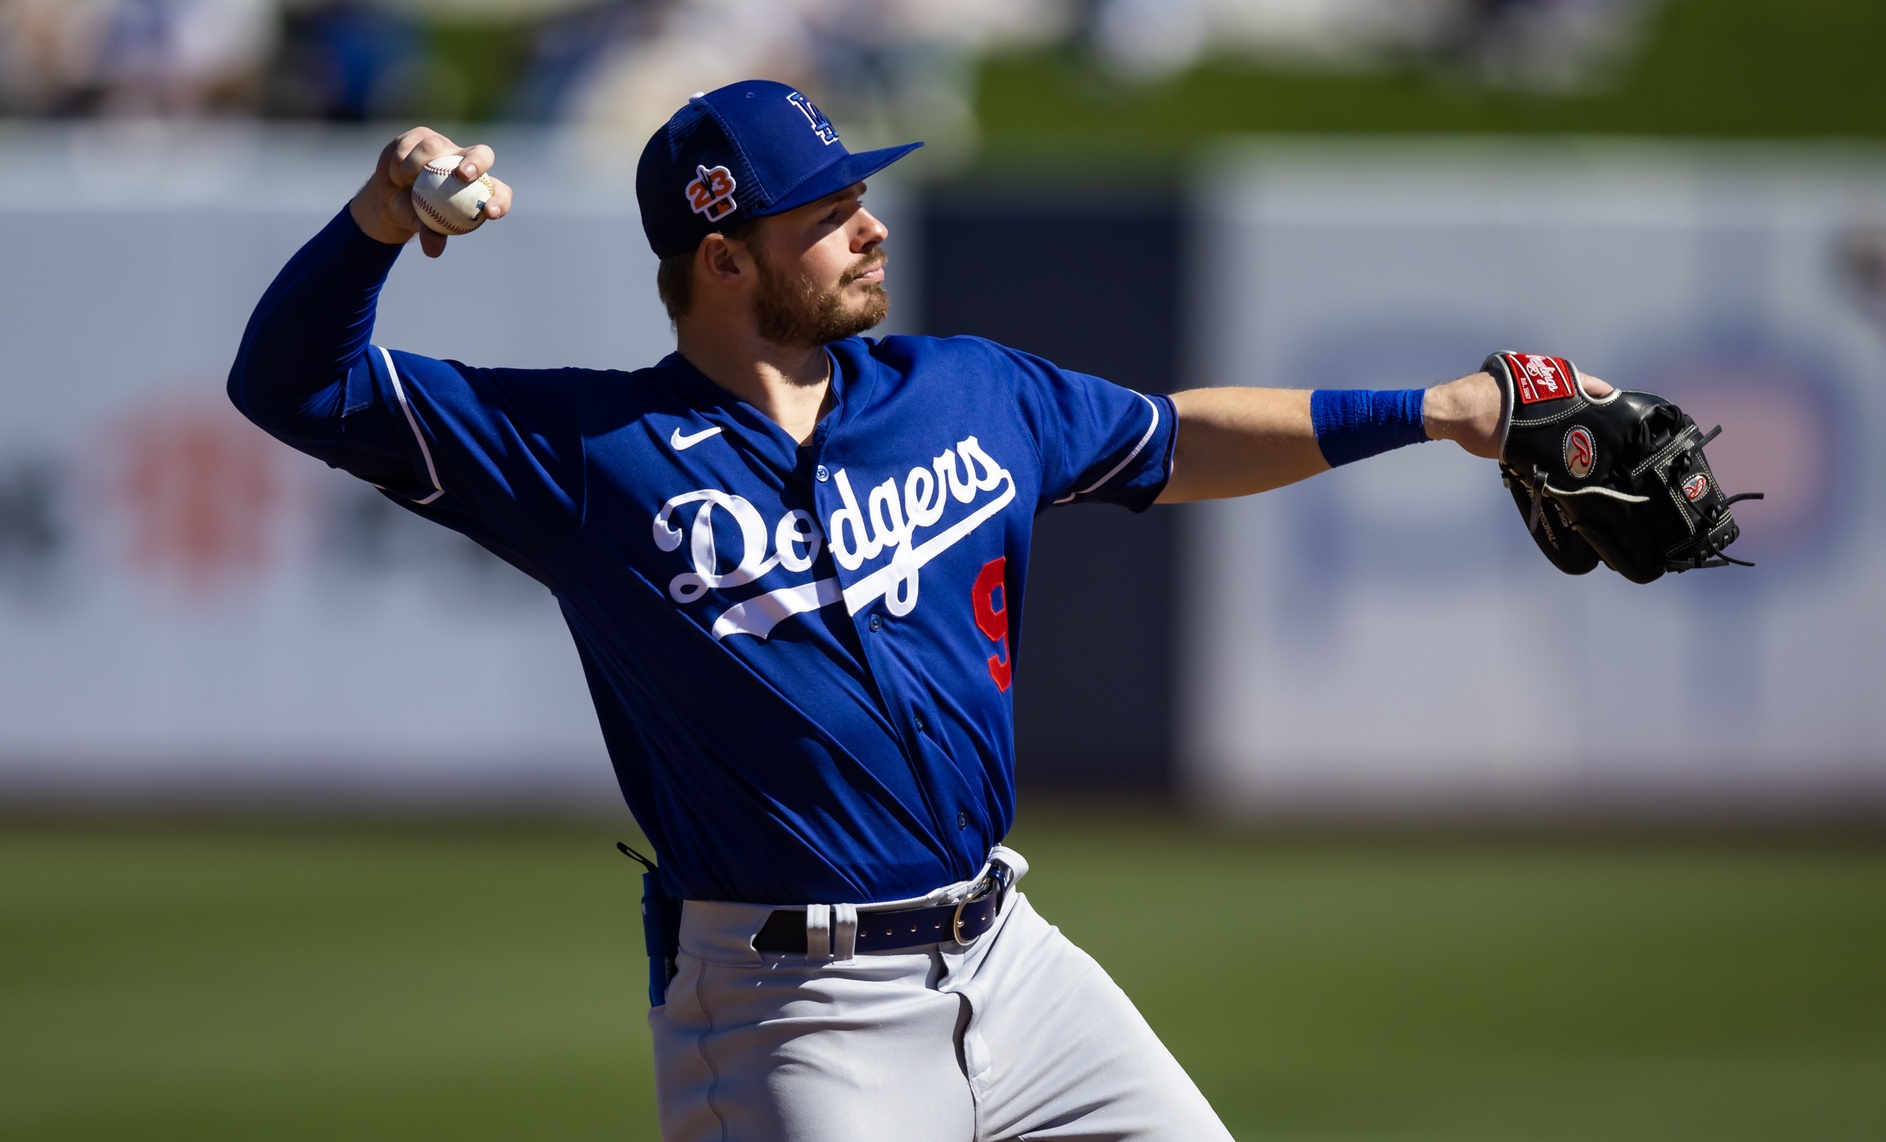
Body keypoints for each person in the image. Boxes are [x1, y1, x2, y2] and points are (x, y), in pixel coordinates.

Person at [228, 80, 1610, 1141]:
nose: (869, 221)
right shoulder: (588, 451)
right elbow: (292, 386)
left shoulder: (962, 391)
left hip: (1013, 956)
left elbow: (1174, 440)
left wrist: (1441, 412)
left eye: (858, 194)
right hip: (790, 1012)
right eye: (825, 212)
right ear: (722, 256)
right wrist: (378, 218)